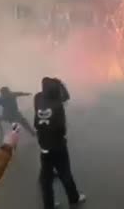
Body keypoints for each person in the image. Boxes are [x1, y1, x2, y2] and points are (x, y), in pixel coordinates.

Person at [34, 77, 86, 209]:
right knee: (65, 172)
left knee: (46, 179)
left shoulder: (38, 98)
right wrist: (61, 84)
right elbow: (61, 128)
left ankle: (49, 205)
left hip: (43, 144)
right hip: (57, 145)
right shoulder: (57, 102)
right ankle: (74, 198)